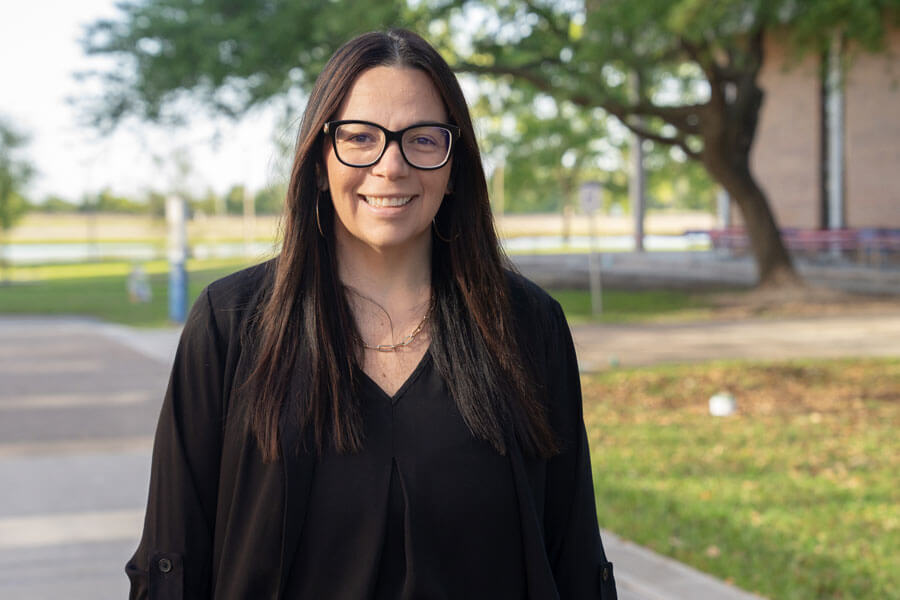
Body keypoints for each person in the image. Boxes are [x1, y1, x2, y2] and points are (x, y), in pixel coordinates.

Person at [126, 29, 617, 600]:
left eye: (423, 139)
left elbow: (574, 553)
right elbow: (173, 558)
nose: (391, 165)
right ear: (317, 160)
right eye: (360, 138)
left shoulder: (526, 327)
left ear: (455, 163)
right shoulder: (231, 324)